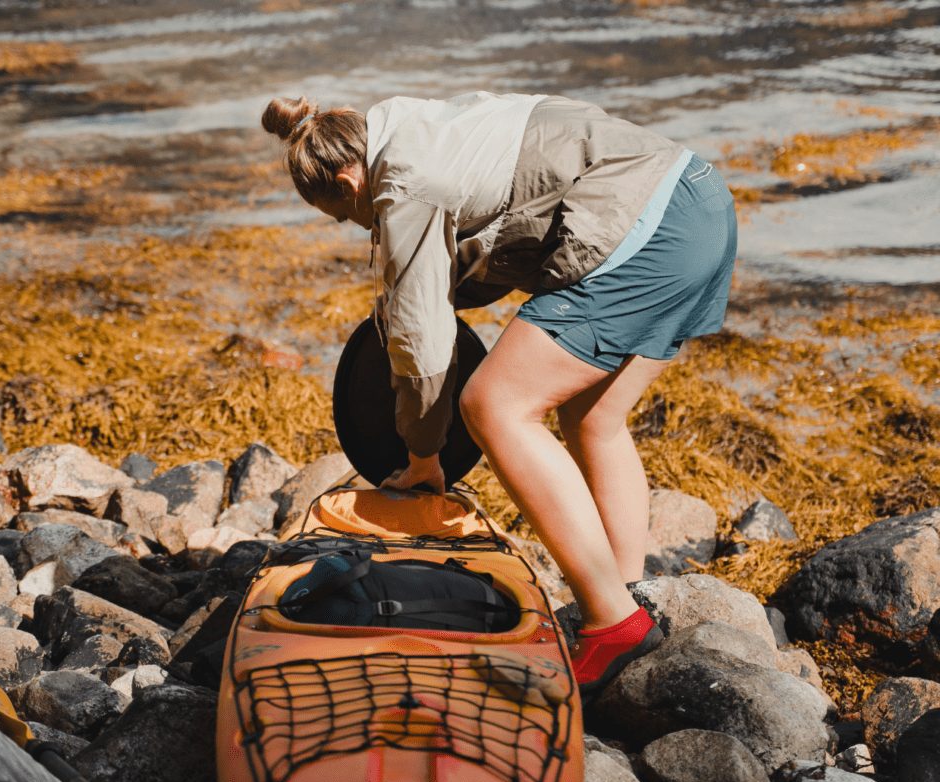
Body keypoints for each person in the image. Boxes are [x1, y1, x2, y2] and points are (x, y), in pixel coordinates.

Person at [261, 91, 736, 694]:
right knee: (595, 419)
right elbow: (505, 215)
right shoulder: (414, 122)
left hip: (645, 229)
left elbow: (422, 333)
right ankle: (625, 595)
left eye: (348, 216)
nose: (363, 227)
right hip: (698, 200)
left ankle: (614, 625)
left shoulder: (403, 183)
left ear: (349, 181)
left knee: (494, 405)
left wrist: (424, 457)